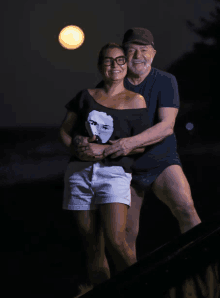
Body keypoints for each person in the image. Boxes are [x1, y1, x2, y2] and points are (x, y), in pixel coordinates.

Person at [72, 27, 202, 260]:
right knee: (127, 234)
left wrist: (127, 143)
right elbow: (91, 126)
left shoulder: (165, 80)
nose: (139, 56)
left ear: (153, 54)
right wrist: (81, 139)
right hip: (125, 168)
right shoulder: (108, 85)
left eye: (144, 50)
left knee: (186, 208)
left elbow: (167, 126)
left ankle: (203, 267)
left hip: (162, 160)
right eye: (132, 51)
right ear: (122, 55)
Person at [60, 42, 151, 295]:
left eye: (120, 60)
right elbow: (65, 132)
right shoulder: (85, 95)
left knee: (116, 241)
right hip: (79, 175)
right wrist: (75, 147)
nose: (114, 65)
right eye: (108, 60)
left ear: (126, 64)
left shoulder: (136, 100)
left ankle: (143, 289)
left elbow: (141, 145)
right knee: (92, 246)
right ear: (100, 65)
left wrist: (108, 150)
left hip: (114, 174)